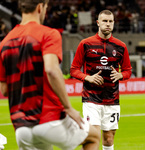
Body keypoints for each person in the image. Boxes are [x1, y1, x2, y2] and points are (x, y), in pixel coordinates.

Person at [0, 0, 100, 149]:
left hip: (21, 128)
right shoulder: (48, 34)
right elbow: (51, 70)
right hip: (48, 119)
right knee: (94, 137)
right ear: (40, 7)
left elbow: (5, 90)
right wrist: (68, 107)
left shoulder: (5, 43)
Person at [70, 10, 132, 150]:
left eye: (110, 21)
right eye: (105, 21)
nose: (108, 24)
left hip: (112, 99)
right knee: (93, 136)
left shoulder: (121, 46)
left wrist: (121, 75)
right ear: (98, 23)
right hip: (91, 99)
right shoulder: (86, 44)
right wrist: (88, 78)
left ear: (114, 23)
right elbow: (74, 69)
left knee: (109, 139)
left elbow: (128, 70)